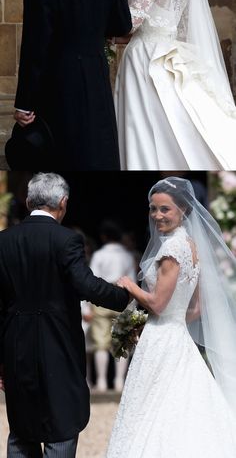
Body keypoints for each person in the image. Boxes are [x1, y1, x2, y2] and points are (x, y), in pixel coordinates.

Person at [0, 173, 129, 458]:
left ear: (28, 200)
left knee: (22, 429)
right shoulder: (67, 239)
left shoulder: (3, 240)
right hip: (57, 344)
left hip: (15, 348)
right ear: (63, 202)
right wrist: (125, 295)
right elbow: (85, 284)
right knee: (61, 426)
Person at [105, 176, 236, 457]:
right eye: (153, 209)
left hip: (161, 340)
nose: (157, 215)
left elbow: (158, 303)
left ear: (183, 211)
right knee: (179, 403)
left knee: (150, 407)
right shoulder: (191, 246)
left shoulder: (171, 249)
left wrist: (129, 286)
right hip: (177, 337)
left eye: (165, 209)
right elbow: (197, 307)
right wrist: (174, 322)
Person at [114, 0, 236, 170]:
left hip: (146, 55)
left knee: (145, 124)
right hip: (169, 49)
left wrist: (104, 27)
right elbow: (179, 21)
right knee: (173, 119)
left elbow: (132, 21)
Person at [12, 0, 132, 170]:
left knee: (62, 160)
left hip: (58, 88)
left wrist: (24, 103)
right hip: (97, 80)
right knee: (97, 154)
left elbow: (35, 45)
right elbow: (123, 23)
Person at [90, 220, 136, 392]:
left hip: (102, 298)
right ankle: (119, 382)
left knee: (100, 341)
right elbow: (131, 281)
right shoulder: (127, 255)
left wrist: (87, 306)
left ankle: (101, 381)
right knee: (122, 342)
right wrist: (134, 305)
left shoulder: (99, 255)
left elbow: (91, 281)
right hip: (123, 298)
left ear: (103, 236)